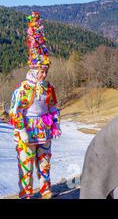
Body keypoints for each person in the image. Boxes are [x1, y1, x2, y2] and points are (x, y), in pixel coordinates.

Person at [8, 12, 62, 199]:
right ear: (33, 69)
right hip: (27, 129)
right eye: (41, 70)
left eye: (45, 70)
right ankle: (26, 193)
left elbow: (53, 107)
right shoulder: (23, 89)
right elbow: (15, 111)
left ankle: (45, 188)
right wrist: (21, 129)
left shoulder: (48, 88)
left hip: (44, 130)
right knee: (26, 162)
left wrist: (56, 124)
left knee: (45, 161)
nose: (44, 74)